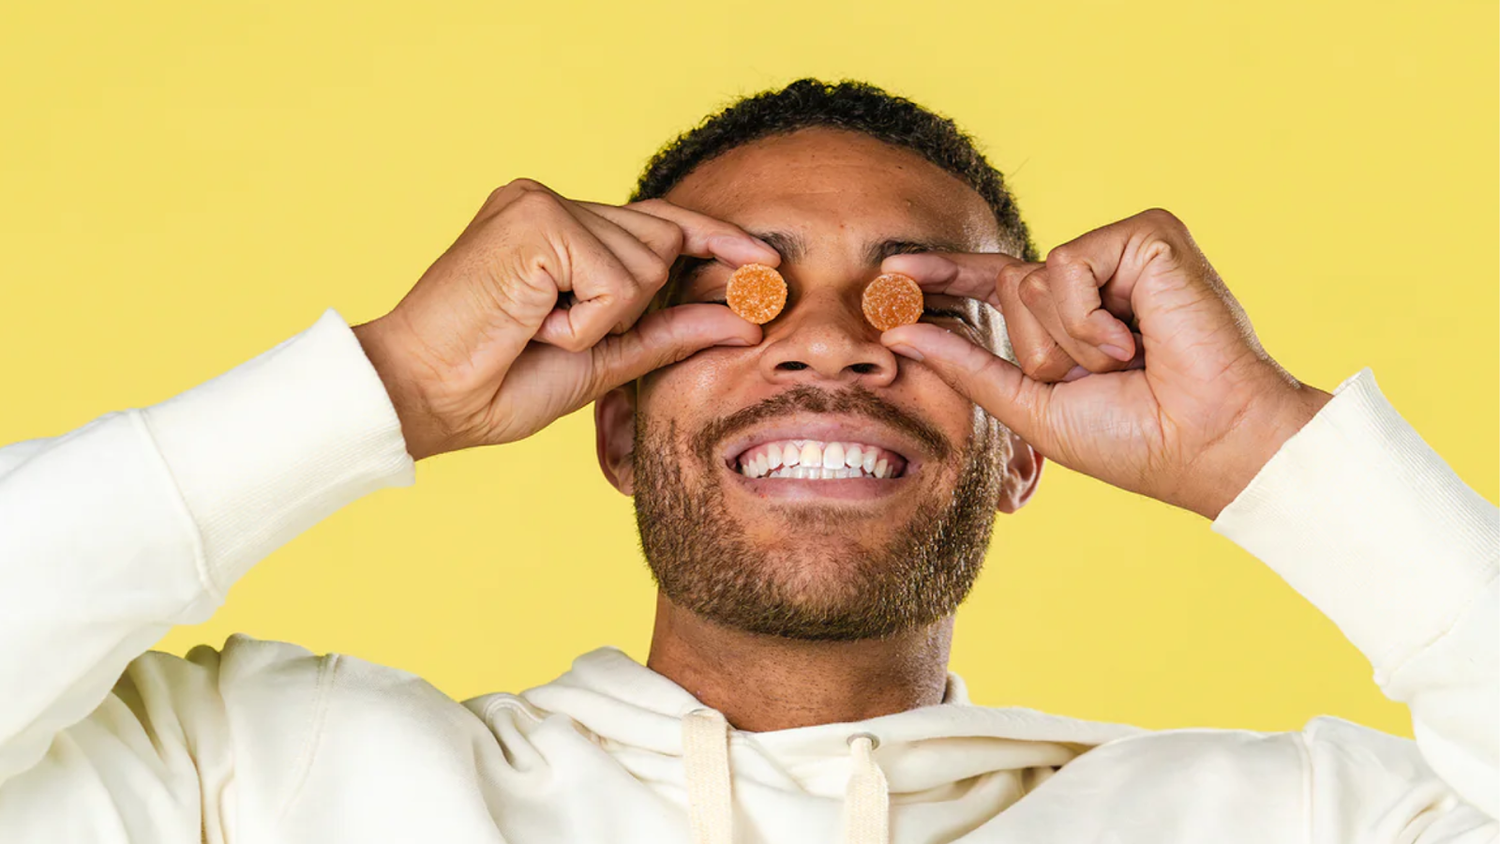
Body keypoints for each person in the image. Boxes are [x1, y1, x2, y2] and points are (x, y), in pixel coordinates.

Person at [0, 78, 1493, 843]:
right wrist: (383, 386)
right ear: (612, 421)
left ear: (1021, 452)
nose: (833, 344)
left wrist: (1259, 448)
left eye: (924, 299)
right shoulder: (257, 777)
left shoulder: (1296, 823)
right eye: (738, 294)